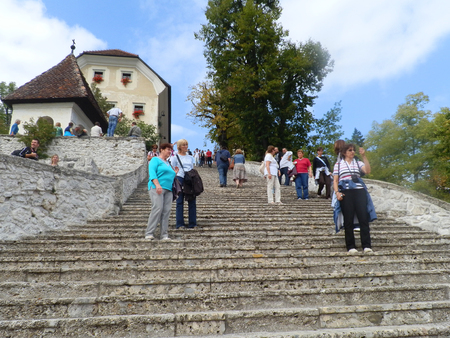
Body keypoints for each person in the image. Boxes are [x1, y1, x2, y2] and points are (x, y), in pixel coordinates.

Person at [334, 143, 374, 254]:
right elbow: (335, 180)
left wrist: (364, 156)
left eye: (353, 150)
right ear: (344, 152)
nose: (352, 152)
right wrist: (337, 192)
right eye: (350, 150)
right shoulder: (338, 164)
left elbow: (367, 171)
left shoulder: (358, 162)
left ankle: (366, 245)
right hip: (346, 192)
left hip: (359, 191)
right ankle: (350, 246)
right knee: (348, 219)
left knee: (363, 218)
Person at [145, 143, 178, 240]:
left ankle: (164, 234)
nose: (169, 151)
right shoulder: (155, 160)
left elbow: (169, 176)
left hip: (169, 189)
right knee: (157, 208)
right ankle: (149, 233)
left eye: (170, 150)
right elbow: (152, 173)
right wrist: (157, 184)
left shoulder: (168, 163)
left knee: (166, 211)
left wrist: (174, 173)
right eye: (168, 149)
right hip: (157, 187)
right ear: (162, 149)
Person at [171, 139, 197, 229]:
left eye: (186, 144)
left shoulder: (190, 157)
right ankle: (180, 223)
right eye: (183, 145)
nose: (186, 146)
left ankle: (193, 223)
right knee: (180, 201)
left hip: (189, 179)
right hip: (180, 178)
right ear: (179, 147)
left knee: (192, 201)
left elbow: (191, 167)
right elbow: (172, 168)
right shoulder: (175, 157)